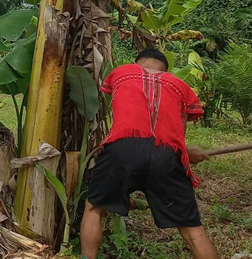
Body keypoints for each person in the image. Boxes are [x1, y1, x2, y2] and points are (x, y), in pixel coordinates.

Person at [80, 49, 218, 259]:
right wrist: (186, 153)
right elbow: (177, 135)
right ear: (165, 69)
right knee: (193, 231)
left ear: (138, 63)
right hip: (165, 154)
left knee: (94, 210)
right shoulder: (180, 86)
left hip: (122, 149)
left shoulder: (121, 73)